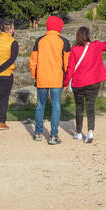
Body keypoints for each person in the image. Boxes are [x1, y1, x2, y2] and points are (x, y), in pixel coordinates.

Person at [67, 26, 106, 143]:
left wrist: (66, 81)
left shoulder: (74, 50)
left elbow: (70, 68)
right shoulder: (96, 46)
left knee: (79, 107)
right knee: (90, 107)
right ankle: (90, 132)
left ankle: (78, 133)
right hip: (93, 81)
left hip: (78, 83)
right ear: (88, 35)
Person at [28, 15, 69, 144]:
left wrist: (34, 75)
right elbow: (67, 63)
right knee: (56, 106)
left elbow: (33, 60)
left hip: (42, 77)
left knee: (40, 105)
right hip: (57, 78)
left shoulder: (40, 41)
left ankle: (38, 133)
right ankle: (53, 135)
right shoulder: (64, 41)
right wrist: (67, 78)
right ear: (59, 27)